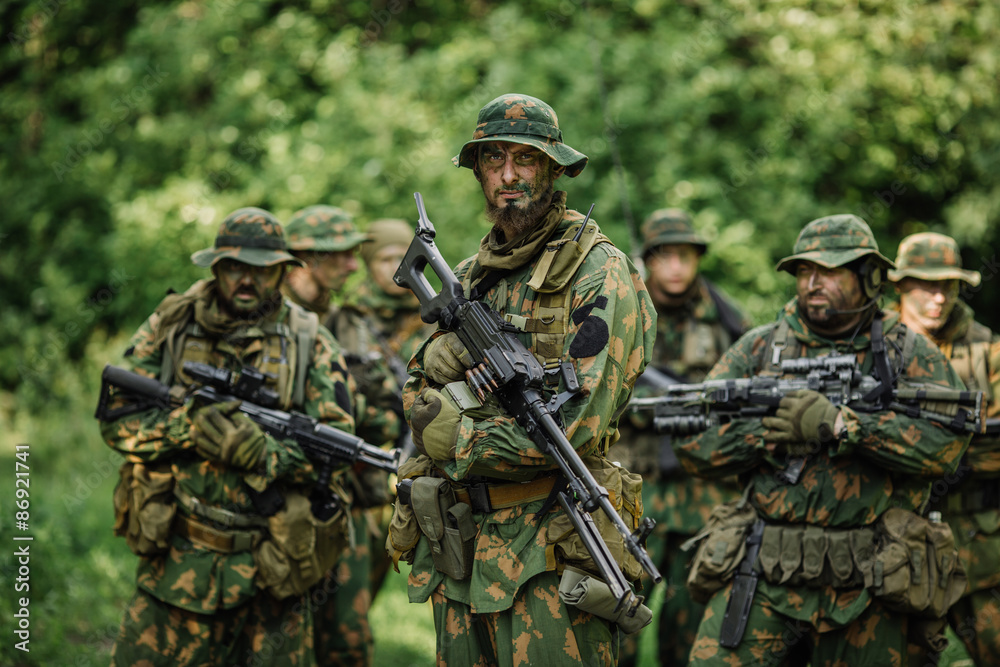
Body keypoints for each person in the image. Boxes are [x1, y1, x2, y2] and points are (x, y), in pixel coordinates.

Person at [385, 93, 656, 666]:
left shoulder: (598, 272)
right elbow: (415, 394)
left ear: (554, 167)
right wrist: (440, 371)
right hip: (461, 547)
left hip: (548, 552)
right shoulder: (468, 276)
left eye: (525, 160)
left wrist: (453, 436)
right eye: (493, 160)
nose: (508, 176)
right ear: (479, 171)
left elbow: (573, 428)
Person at [675, 214, 972, 665]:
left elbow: (946, 447)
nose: (813, 282)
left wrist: (844, 426)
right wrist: (766, 434)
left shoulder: (907, 352)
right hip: (765, 573)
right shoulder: (759, 349)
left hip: (872, 579)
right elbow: (693, 445)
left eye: (829, 271)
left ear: (870, 277)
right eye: (804, 272)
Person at [100, 207, 356, 666]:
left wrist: (265, 454)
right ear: (216, 266)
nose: (246, 280)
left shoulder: (310, 341)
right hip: (178, 560)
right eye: (235, 267)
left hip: (274, 572)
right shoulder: (173, 324)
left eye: (260, 270)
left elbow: (336, 451)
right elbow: (117, 420)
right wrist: (188, 429)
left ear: (281, 271)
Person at [615, 209, 750, 667]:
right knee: (619, 615)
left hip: (703, 498)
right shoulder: (622, 310)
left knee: (691, 621)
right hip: (633, 495)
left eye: (685, 257)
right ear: (648, 260)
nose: (675, 267)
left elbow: (751, 395)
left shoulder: (728, 321)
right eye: (665, 257)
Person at [283, 205, 398, 667]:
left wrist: (348, 412)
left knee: (347, 640)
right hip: (277, 499)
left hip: (343, 499)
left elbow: (389, 412)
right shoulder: (269, 320)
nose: (355, 266)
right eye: (343, 255)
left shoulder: (352, 325)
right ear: (307, 256)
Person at [889, 231, 1000, 664]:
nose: (938, 297)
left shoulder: (987, 350)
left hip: (978, 544)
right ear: (899, 285)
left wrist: (950, 457)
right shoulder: (873, 345)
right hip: (897, 548)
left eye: (948, 285)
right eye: (926, 284)